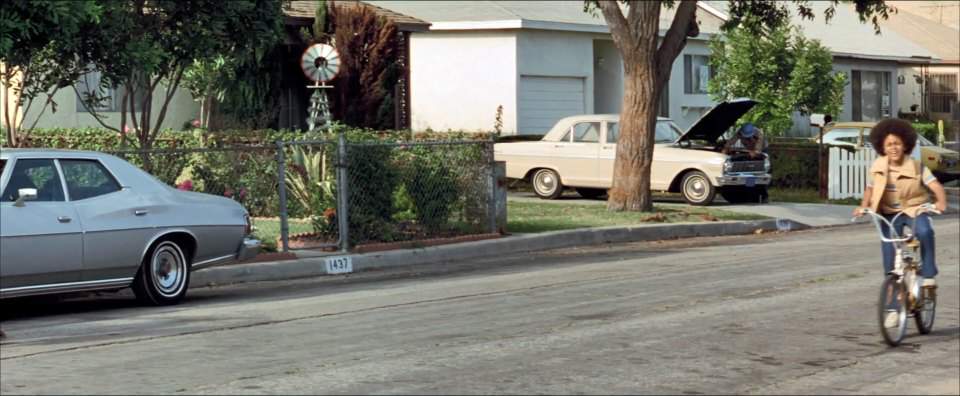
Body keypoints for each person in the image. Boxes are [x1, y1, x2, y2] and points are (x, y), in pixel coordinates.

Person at [852, 118, 948, 289]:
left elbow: (935, 185)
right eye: (889, 145)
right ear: (882, 147)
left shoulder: (917, 167)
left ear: (905, 145)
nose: (893, 148)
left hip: (914, 210)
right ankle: (892, 307)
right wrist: (863, 206)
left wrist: (940, 202)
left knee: (925, 232)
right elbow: (870, 189)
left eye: (897, 143)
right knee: (889, 257)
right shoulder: (877, 167)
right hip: (889, 213)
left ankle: (928, 274)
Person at [722, 123, 769, 203]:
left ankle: (763, 196)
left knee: (759, 172)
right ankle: (747, 195)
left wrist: (755, 152)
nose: (746, 138)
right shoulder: (740, 132)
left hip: (762, 151)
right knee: (747, 172)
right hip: (750, 150)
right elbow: (732, 140)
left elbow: (757, 150)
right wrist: (726, 148)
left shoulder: (759, 134)